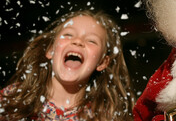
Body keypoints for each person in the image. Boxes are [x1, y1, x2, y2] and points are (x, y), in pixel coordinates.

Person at [0, 10, 135, 120]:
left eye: (92, 41)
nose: (77, 41)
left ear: (102, 62)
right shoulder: (10, 101)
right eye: (68, 34)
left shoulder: (107, 118)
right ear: (50, 50)